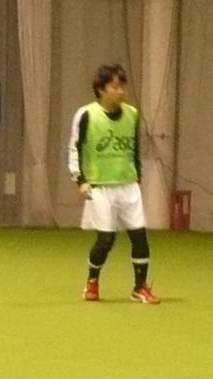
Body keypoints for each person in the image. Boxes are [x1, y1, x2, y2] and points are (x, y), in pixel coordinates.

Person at [69, 64, 159, 304]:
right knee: (106, 240)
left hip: (128, 185)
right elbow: (75, 148)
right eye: (115, 87)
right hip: (100, 186)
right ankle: (92, 282)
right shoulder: (86, 115)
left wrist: (137, 177)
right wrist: (80, 180)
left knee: (139, 236)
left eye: (122, 87)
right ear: (101, 89)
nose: (121, 92)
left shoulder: (132, 114)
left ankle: (139, 287)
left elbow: (135, 149)